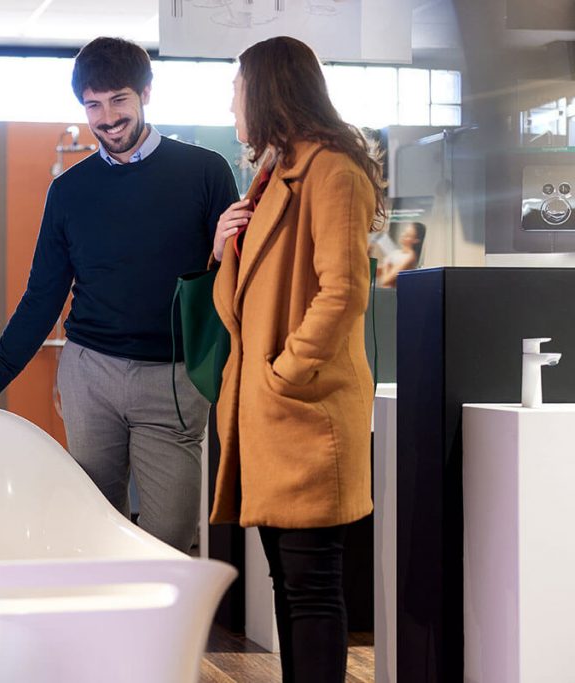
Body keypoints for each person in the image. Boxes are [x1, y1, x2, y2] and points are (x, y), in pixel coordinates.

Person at [0, 36, 239, 553]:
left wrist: (220, 253)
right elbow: (42, 297)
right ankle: (107, 632)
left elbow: (235, 281)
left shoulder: (205, 171)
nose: (106, 118)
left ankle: (159, 633)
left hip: (171, 377)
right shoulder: (68, 191)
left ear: (145, 93)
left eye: (118, 100)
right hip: (90, 374)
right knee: (94, 523)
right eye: (93, 105)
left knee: (170, 533)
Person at [210, 36, 384, 681]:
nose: (233, 103)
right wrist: (228, 243)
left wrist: (286, 372)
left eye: (237, 90)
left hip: (303, 412)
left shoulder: (331, 171)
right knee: (291, 584)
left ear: (268, 91)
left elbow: (343, 291)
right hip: (272, 414)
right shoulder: (276, 175)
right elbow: (242, 306)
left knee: (311, 587)